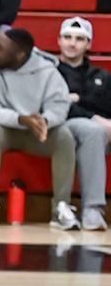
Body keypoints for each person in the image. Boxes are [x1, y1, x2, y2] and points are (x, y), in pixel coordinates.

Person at [0, 27, 79, 229]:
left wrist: (44, 121)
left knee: (64, 136)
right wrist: (20, 119)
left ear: (19, 54)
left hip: (35, 133)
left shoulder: (46, 71)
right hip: (2, 129)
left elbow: (59, 105)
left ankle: (61, 207)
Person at [54, 17, 109, 231]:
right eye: (67, 37)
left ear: (88, 44)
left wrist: (78, 99)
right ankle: (92, 210)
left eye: (79, 39)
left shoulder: (101, 76)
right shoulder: (49, 72)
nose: (72, 43)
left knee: (96, 131)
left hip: (102, 129)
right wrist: (95, 117)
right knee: (92, 129)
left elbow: (106, 105)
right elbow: (57, 106)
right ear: (58, 41)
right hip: (60, 128)